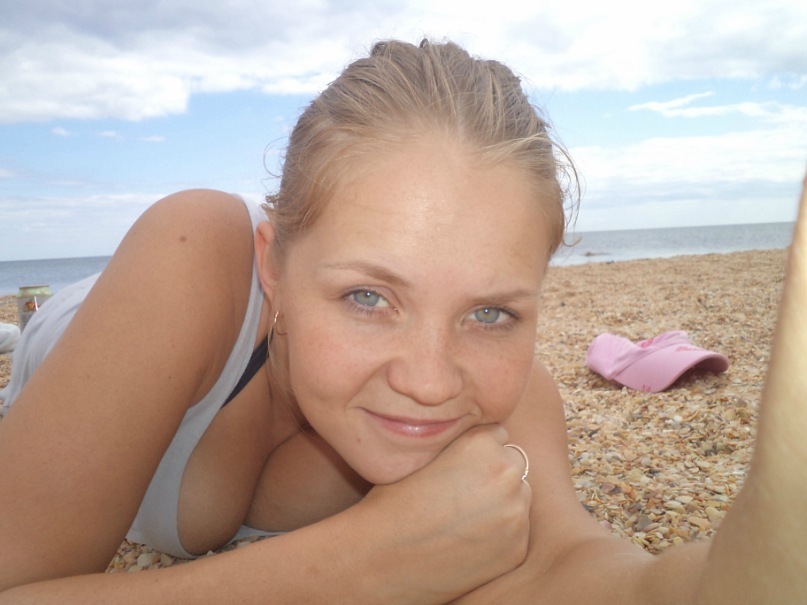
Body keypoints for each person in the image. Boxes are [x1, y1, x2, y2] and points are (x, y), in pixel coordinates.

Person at [0, 38, 804, 604]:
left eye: (489, 310)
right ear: (275, 264)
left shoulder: (495, 390)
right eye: (367, 296)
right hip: (98, 325)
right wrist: (351, 567)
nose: (428, 380)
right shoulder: (196, 251)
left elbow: (581, 572)